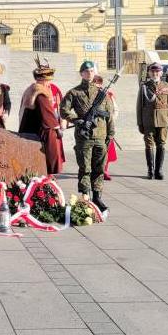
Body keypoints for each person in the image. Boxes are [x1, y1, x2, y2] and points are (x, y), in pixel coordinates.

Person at [59, 60, 115, 217]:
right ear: (81, 74)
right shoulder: (74, 93)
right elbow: (63, 110)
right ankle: (85, 197)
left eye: (91, 71)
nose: (89, 73)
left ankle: (97, 197)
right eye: (86, 71)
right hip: (84, 137)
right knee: (85, 168)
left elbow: (109, 115)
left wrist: (110, 134)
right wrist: (77, 120)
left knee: (99, 169)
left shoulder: (102, 93)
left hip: (101, 136)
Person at [17, 59, 65, 175]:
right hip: (39, 130)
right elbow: (47, 114)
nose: (49, 84)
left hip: (29, 128)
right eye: (48, 81)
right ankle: (48, 173)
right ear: (42, 80)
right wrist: (57, 128)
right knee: (51, 147)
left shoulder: (30, 89)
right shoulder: (40, 92)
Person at [137, 61, 168, 180]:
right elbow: (139, 106)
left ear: (161, 73)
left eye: (157, 71)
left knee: (161, 144)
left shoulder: (166, 86)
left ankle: (158, 170)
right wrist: (140, 123)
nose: (155, 74)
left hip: (163, 120)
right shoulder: (144, 86)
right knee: (149, 145)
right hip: (148, 120)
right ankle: (150, 170)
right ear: (149, 73)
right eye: (152, 71)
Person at [94, 74, 118, 181]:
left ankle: (104, 170)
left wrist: (110, 121)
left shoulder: (108, 95)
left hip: (105, 126)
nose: (97, 85)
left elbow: (115, 110)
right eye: (95, 83)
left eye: (98, 83)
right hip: (92, 127)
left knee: (106, 150)